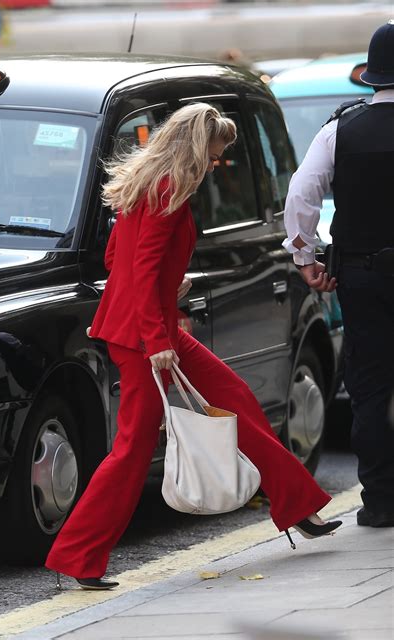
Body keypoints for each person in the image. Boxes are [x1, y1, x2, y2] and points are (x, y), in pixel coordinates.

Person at [45, 103, 341, 591]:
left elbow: (119, 257)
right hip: (144, 338)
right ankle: (78, 556)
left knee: (236, 398)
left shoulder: (151, 186)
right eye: (214, 154)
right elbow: (137, 269)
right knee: (133, 449)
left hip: (151, 328)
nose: (214, 165)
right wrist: (158, 337)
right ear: (194, 148)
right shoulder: (166, 192)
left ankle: (299, 506)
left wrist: (169, 289)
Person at [283, 22, 394, 529]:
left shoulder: (340, 129)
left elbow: (301, 195)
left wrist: (306, 258)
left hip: (364, 278)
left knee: (369, 388)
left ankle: (380, 502)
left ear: (372, 77)